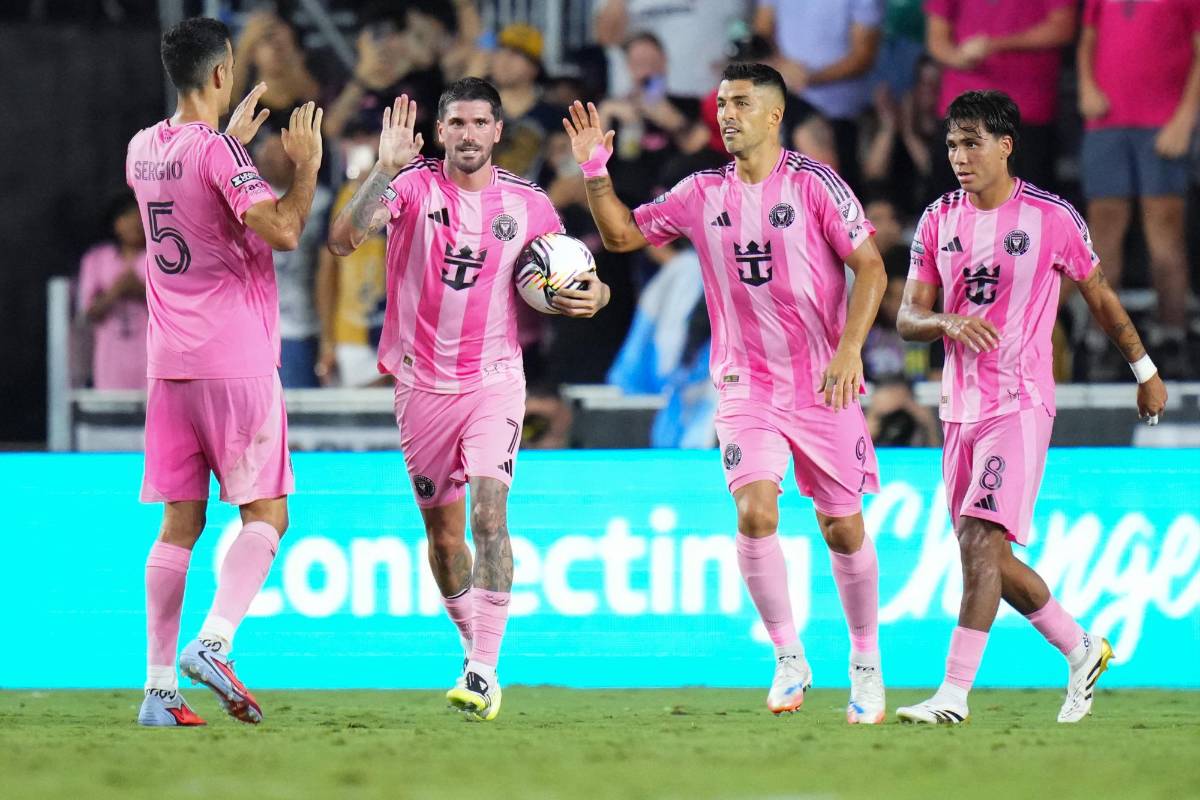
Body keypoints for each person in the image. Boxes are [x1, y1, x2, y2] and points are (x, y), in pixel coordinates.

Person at [566, 62, 890, 723]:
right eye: (720, 103)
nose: (727, 113)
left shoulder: (816, 184)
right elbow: (624, 234)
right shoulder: (699, 191)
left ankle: (865, 663)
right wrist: (596, 171)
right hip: (745, 385)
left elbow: (873, 269)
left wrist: (851, 348)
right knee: (755, 513)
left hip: (822, 382)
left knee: (843, 528)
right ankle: (788, 657)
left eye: (740, 102)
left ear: (775, 115)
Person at [327, 79, 612, 721]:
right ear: (440, 131)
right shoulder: (409, 186)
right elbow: (344, 240)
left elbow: (576, 274)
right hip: (420, 384)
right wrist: (383, 167)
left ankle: (483, 672)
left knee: (490, 517)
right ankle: (474, 647)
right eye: (455, 122)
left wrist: (597, 297)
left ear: (498, 131)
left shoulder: (530, 205)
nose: (468, 134)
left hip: (494, 381)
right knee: (445, 540)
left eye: (480, 122)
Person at [895, 90, 1168, 724]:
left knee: (983, 540)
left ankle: (954, 696)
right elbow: (908, 314)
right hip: (957, 407)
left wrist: (1145, 368)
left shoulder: (1050, 217)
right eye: (953, 145)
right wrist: (945, 323)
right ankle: (1081, 648)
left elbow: (1097, 296)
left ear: (1005, 145)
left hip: (1019, 401)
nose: (959, 157)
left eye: (972, 143)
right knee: (982, 551)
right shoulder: (939, 218)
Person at [127, 17, 323, 727]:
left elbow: (198, 192)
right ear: (221, 74)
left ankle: (156, 692)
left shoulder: (142, 148)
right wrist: (304, 167)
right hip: (234, 359)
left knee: (179, 523)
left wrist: (230, 144)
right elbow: (283, 229)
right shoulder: (216, 153)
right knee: (267, 513)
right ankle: (213, 643)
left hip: (167, 364)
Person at [1077, 0, 1200, 375]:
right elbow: (1088, 39)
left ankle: (1172, 335)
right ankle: (1104, 340)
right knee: (1103, 238)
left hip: (1162, 123)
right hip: (1106, 122)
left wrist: (1185, 118)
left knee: (1164, 236)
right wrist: (1086, 86)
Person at [924, 0, 1076, 193]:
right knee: (954, 207)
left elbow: (1062, 28)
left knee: (1027, 207)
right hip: (963, 107)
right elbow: (936, 38)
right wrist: (958, 58)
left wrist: (995, 44)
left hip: (1025, 108)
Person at [754, 0, 884, 191]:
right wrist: (781, 67)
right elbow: (761, 34)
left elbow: (863, 56)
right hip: (785, 113)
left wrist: (810, 78)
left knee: (836, 201)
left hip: (839, 116)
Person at [254, 126, 332, 387]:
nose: (271, 159)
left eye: (279, 153)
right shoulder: (247, 197)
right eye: (266, 153)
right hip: (256, 326)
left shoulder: (321, 201)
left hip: (302, 323)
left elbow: (328, 268)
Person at [77, 191, 148, 390]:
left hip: (152, 357)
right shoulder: (97, 259)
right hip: (111, 359)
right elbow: (89, 313)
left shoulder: (162, 258)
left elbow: (177, 309)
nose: (136, 223)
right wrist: (115, 292)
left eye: (141, 216)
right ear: (116, 223)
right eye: (128, 217)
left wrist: (141, 291)